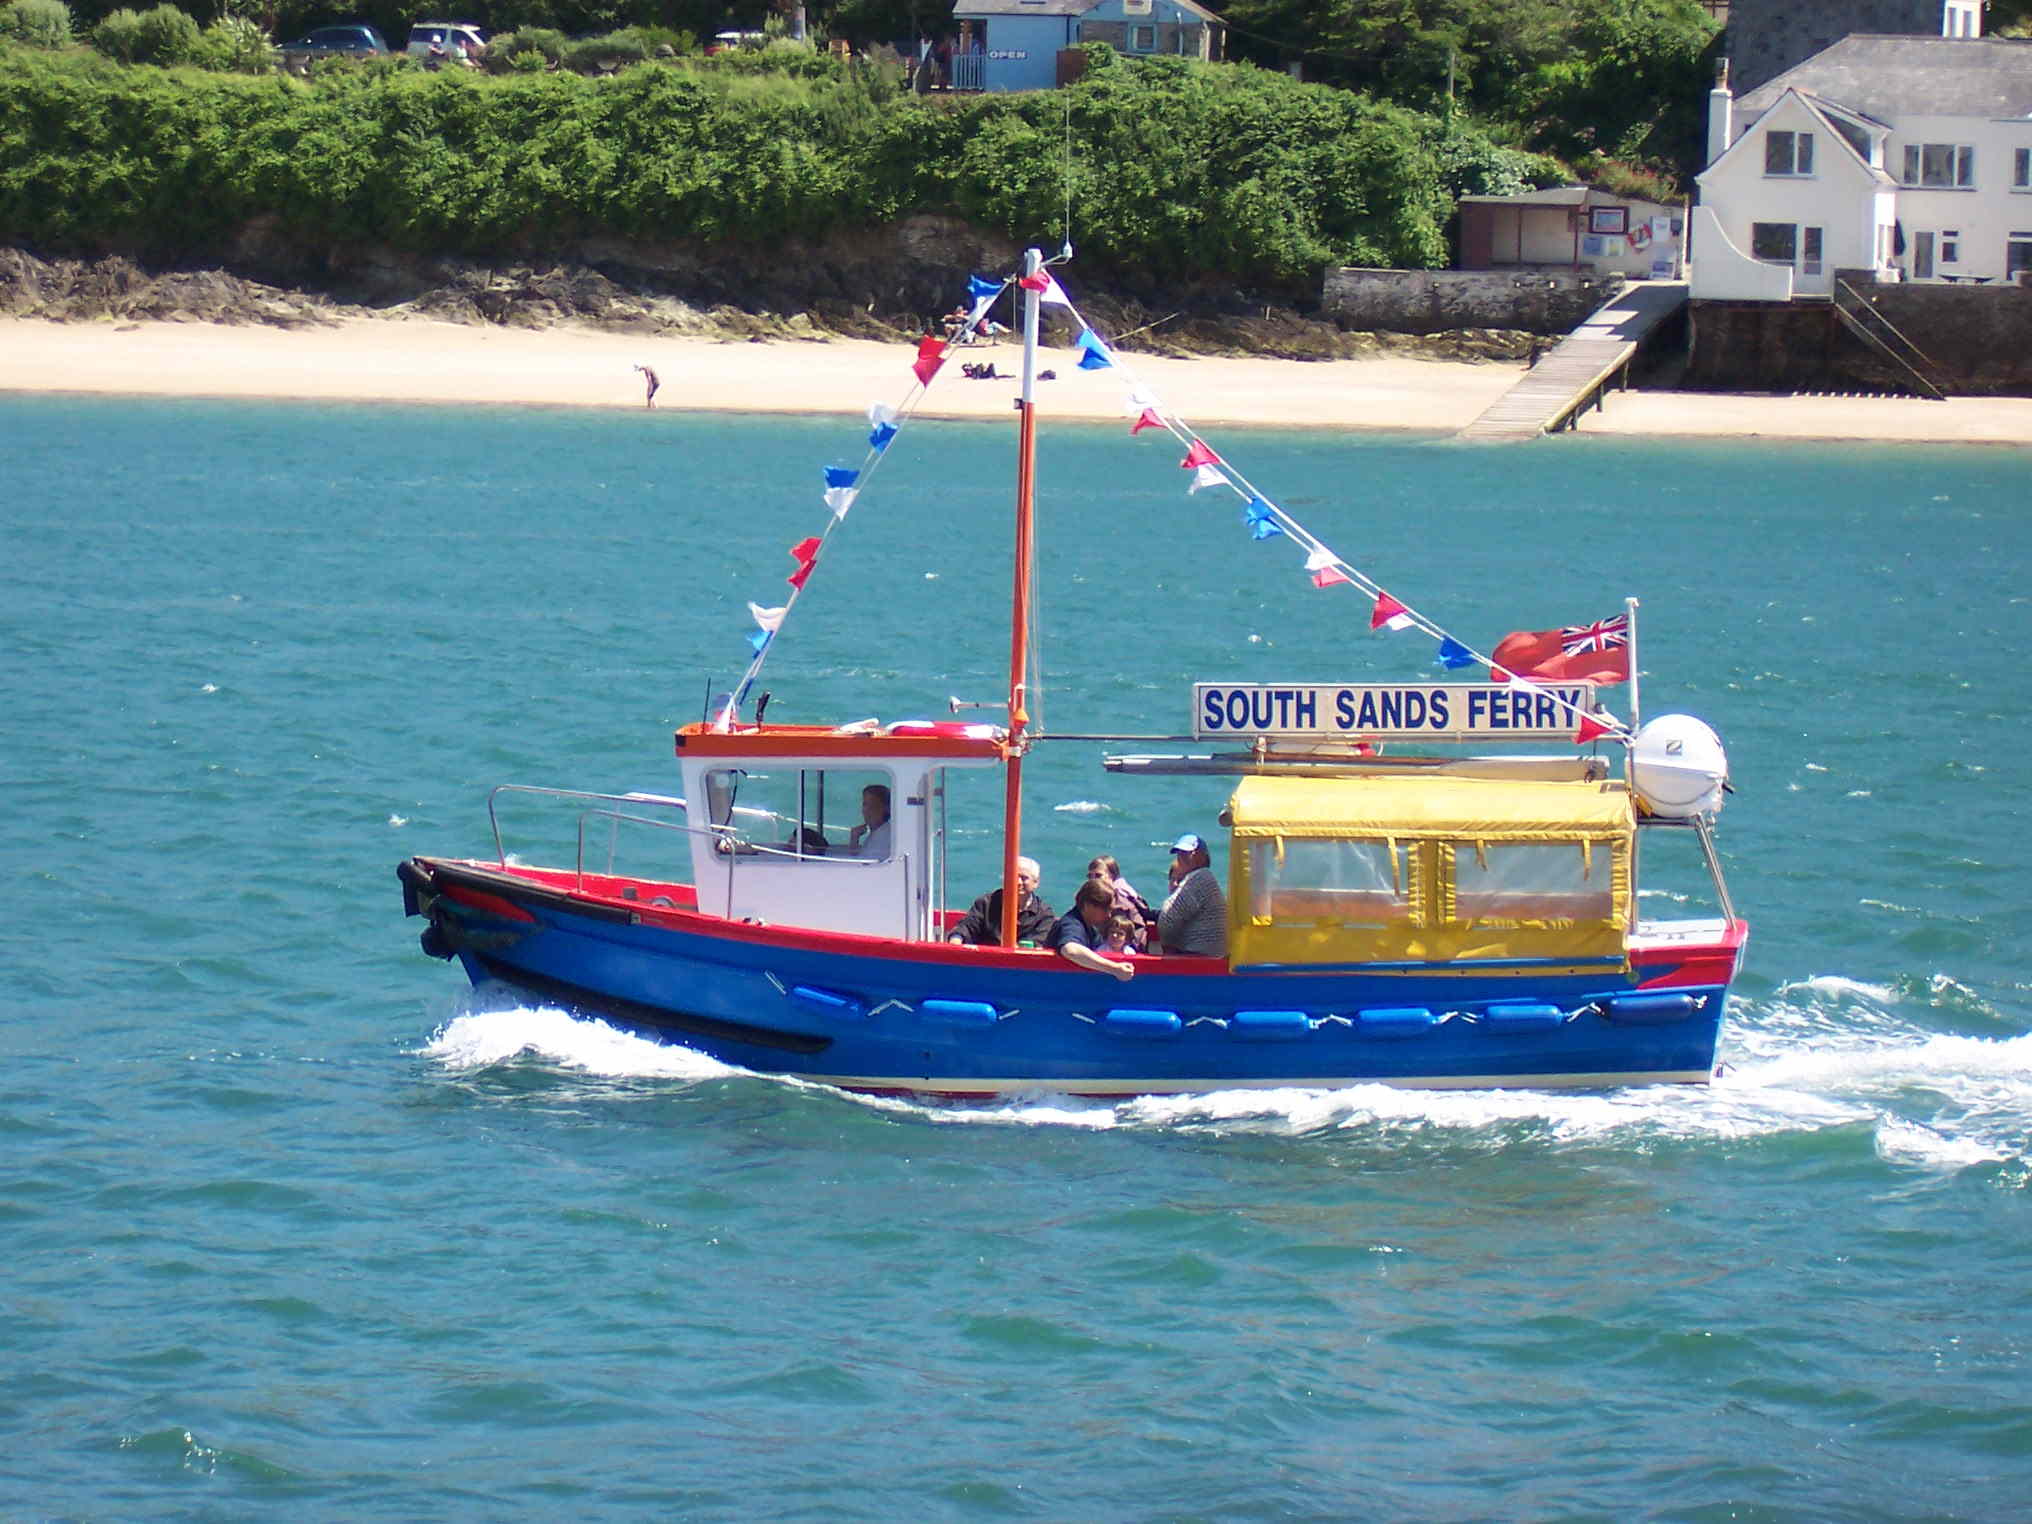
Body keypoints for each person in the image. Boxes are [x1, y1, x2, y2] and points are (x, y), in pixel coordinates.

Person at [948, 856, 1055, 946]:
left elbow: (1038, 942)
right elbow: (966, 927)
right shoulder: (986, 903)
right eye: (1013, 876)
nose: (1018, 882)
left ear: (1036, 882)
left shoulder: (1044, 914)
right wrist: (956, 940)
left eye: (1024, 878)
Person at [1045, 879, 1136, 980]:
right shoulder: (1072, 924)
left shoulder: (1091, 928)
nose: (1109, 915)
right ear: (1089, 905)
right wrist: (1115, 969)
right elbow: (1071, 950)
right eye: (1106, 909)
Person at [1157, 833, 1227, 957]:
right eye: (1179, 854)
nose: (1181, 857)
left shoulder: (1200, 877)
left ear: (1202, 856)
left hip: (1199, 957)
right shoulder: (1205, 878)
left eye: (1187, 853)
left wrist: (1168, 947)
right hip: (1210, 956)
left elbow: (1169, 918)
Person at [1085, 854, 1152, 950]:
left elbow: (1133, 932)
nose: (1093, 880)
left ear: (1112, 876)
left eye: (1098, 875)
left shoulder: (1120, 899)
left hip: (1126, 950)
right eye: (1090, 876)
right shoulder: (1099, 896)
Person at [845, 783, 891, 859]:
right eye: (865, 804)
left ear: (885, 808)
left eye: (872, 805)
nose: (865, 810)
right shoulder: (878, 832)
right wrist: (854, 840)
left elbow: (861, 867)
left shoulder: (883, 837)